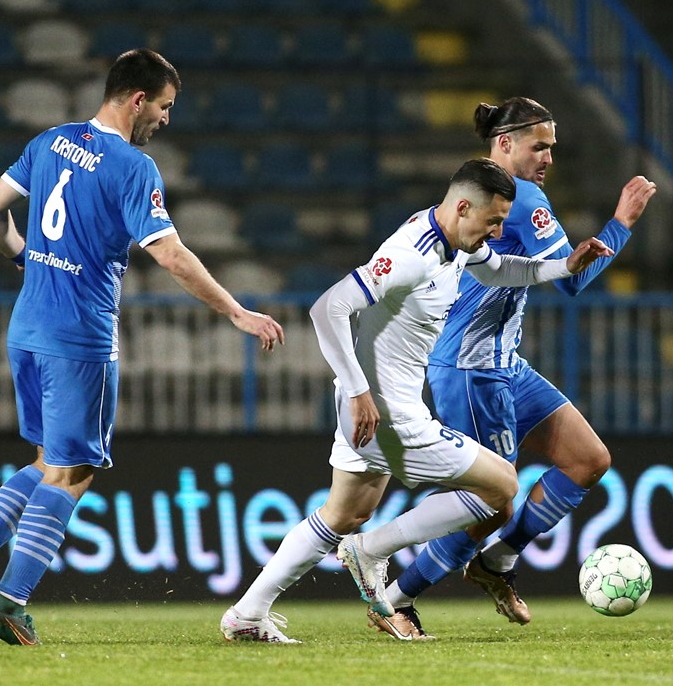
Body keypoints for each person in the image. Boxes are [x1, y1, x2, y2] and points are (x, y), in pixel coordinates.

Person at [0, 49, 285, 646]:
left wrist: (25, 258)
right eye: (166, 107)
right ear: (138, 99)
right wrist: (236, 311)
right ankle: (9, 603)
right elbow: (170, 256)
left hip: (27, 328)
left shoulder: (48, 142)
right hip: (80, 337)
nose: (167, 120)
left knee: (49, 460)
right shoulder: (132, 166)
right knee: (76, 471)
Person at [220, 157, 614, 643]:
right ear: (464, 207)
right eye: (492, 221)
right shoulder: (414, 253)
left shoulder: (456, 242)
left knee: (341, 514)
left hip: (370, 406)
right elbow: (328, 307)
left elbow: (500, 270)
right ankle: (370, 552)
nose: (495, 232)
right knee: (500, 488)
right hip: (386, 411)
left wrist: (563, 266)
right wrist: (362, 391)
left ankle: (247, 613)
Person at [370, 97, 656, 640]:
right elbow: (573, 279)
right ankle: (396, 600)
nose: (548, 157)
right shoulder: (521, 197)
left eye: (553, 146)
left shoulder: (493, 194)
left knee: (588, 460)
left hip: (504, 364)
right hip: (473, 368)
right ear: (504, 143)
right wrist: (621, 224)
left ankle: (495, 563)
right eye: (539, 145)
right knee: (489, 500)